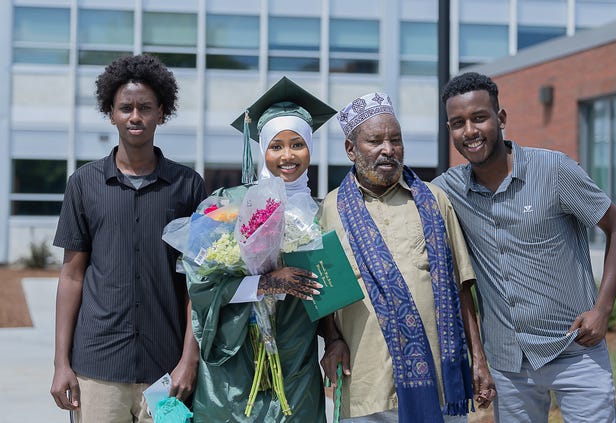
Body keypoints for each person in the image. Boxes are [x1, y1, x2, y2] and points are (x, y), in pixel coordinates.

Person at [433, 72, 616, 422]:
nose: (469, 131)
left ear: (501, 118)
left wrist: (603, 309)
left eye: (479, 117)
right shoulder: (447, 192)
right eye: (457, 123)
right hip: (510, 364)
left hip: (575, 349)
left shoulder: (554, 170)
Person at [318, 92, 496, 423]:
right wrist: (331, 340)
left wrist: (479, 359)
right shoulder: (330, 209)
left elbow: (462, 287)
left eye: (395, 140)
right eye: (375, 141)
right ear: (351, 149)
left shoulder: (434, 200)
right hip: (366, 384)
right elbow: (326, 292)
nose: (388, 149)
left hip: (440, 386)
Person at [50, 54, 206, 422]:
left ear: (161, 113)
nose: (135, 116)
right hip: (97, 369)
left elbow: (198, 284)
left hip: (167, 372)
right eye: (126, 108)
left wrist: (189, 360)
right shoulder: (84, 184)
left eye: (145, 108)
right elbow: (72, 276)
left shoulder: (188, 186)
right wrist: (60, 363)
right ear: (111, 113)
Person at [186, 77, 336, 422]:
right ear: (262, 149)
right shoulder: (228, 206)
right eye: (276, 145)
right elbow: (201, 285)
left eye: (297, 144)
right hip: (237, 360)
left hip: (295, 358)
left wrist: (332, 339)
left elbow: (329, 294)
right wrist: (266, 284)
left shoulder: (322, 214)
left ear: (310, 148)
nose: (287, 155)